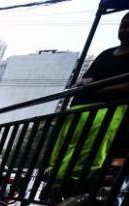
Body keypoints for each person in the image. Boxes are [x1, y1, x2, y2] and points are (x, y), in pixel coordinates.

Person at [49, 12, 129, 190]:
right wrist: (89, 85)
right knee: (65, 146)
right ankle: (55, 180)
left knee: (89, 150)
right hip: (79, 108)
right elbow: (86, 80)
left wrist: (99, 88)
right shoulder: (106, 54)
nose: (125, 29)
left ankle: (77, 182)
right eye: (123, 24)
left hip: (107, 110)